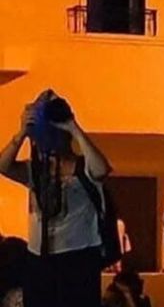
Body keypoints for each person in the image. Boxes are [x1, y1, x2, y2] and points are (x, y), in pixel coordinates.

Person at [0, 90, 112, 307]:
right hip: (39, 260)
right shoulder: (36, 170)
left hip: (77, 259)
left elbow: (101, 169)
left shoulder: (82, 168)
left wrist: (73, 127)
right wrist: (22, 132)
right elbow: (3, 166)